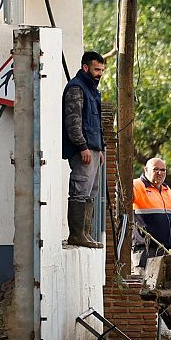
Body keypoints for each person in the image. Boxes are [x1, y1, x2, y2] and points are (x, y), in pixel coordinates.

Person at [62, 51, 106, 248]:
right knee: (80, 190)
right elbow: (73, 122)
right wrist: (82, 146)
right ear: (85, 67)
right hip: (84, 149)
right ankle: (77, 235)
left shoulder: (91, 90)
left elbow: (96, 123)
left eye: (102, 70)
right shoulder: (76, 88)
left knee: (90, 192)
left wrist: (100, 148)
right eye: (97, 69)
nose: (100, 74)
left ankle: (85, 234)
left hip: (93, 148)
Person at [132, 157, 171, 268]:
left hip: (163, 248)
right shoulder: (137, 186)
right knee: (144, 282)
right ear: (146, 170)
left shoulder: (167, 190)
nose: (160, 173)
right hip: (144, 248)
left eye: (163, 170)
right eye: (155, 169)